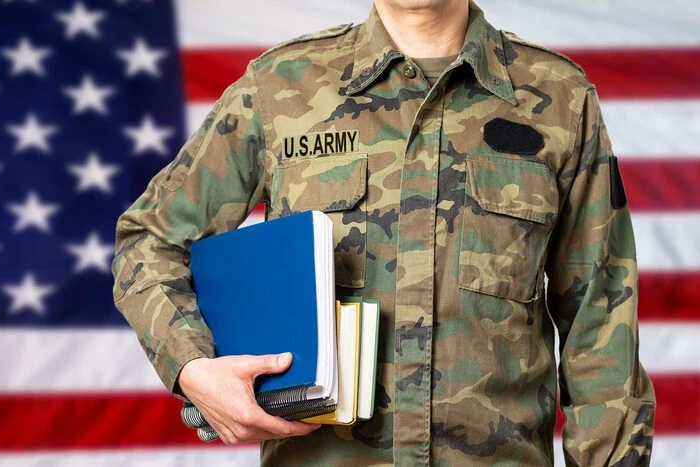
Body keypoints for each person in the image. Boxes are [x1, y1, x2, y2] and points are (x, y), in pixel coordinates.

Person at [112, 0, 656, 464]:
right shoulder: (281, 88)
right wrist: (191, 367)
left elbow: (601, 319)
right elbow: (151, 242)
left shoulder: (559, 98)